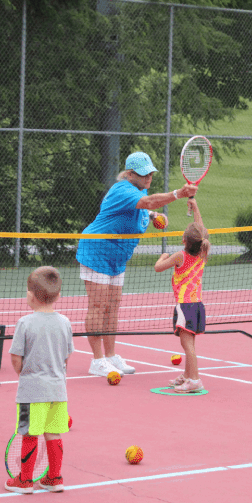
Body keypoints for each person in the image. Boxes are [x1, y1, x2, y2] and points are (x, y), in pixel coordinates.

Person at [76, 151, 197, 378]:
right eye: (144, 174)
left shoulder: (140, 192)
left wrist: (153, 216)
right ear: (130, 174)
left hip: (117, 258)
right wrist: (179, 194)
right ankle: (97, 360)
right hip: (97, 251)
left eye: (151, 173)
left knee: (113, 305)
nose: (149, 177)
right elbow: (147, 202)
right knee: (98, 306)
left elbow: (146, 206)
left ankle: (110, 356)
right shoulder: (122, 189)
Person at [5, 266, 73, 494]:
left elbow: (16, 357)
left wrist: (24, 374)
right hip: (58, 390)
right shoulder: (65, 322)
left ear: (31, 296)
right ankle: (54, 478)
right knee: (54, 432)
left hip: (31, 391)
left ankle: (25, 480)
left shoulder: (25, 323)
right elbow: (67, 356)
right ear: (58, 296)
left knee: (29, 433)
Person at [154, 198, 210, 393]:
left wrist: (162, 256)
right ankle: (187, 375)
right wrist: (196, 207)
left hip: (185, 305)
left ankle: (195, 380)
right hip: (197, 305)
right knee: (189, 343)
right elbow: (201, 230)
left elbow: (158, 268)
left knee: (188, 346)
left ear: (184, 240)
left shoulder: (180, 256)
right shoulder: (203, 252)